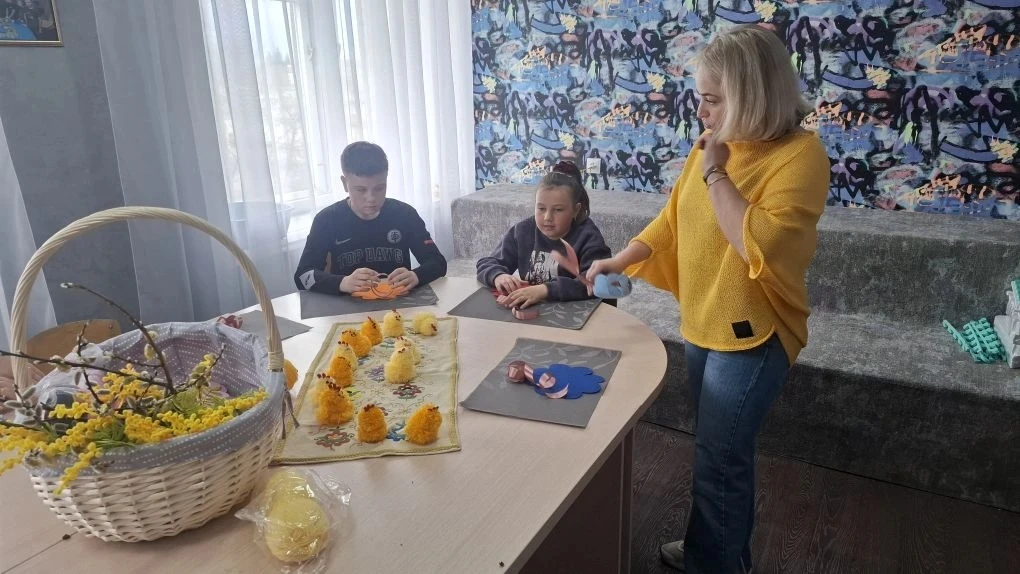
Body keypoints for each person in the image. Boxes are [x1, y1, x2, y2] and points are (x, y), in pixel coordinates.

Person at [586, 25, 830, 573]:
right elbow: (673, 218)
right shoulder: (714, 142)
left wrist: (717, 170)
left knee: (720, 457)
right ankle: (714, 554)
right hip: (705, 319)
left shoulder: (800, 156)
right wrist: (619, 260)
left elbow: (757, 242)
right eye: (701, 97)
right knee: (717, 451)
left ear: (751, 96)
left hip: (755, 333)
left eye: (713, 99)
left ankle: (716, 563)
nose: (701, 111)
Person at [294, 142, 447, 295]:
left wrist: (416, 275)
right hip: (347, 304)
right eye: (361, 190)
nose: (371, 198)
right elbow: (302, 276)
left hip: (398, 302)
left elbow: (438, 263)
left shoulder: (405, 214)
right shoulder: (327, 220)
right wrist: (342, 282)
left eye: (379, 188)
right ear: (345, 183)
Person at [476, 161, 611, 308]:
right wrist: (498, 275)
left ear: (576, 210)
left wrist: (546, 290)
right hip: (534, 311)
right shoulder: (522, 231)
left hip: (575, 312)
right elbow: (487, 263)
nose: (547, 217)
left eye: (558, 210)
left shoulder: (588, 237)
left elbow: (597, 281)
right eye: (541, 208)